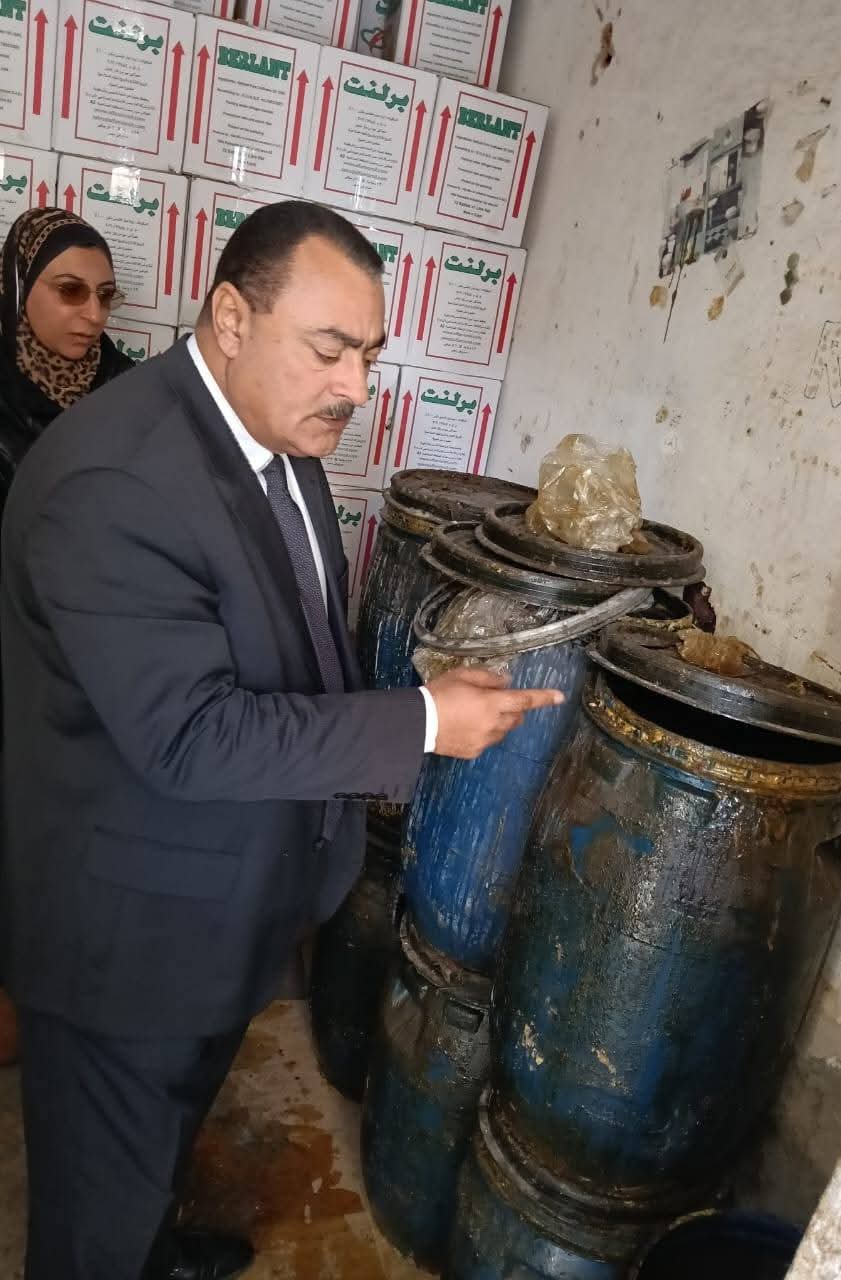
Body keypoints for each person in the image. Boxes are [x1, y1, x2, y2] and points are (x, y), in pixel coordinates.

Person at [0, 200, 563, 1280]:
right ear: (230, 317)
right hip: (126, 938)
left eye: (370, 354)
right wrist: (425, 721)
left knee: (156, 1149)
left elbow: (296, 645)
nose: (356, 385)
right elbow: (190, 732)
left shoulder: (277, 437)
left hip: (218, 905)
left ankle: (153, 1247)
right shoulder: (115, 480)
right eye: (330, 348)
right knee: (94, 1206)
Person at [0, 207, 134, 1068]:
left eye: (105, 296)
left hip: (95, 655)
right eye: (69, 291)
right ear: (19, 290)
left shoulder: (130, 396)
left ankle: (63, 985)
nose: (91, 315)